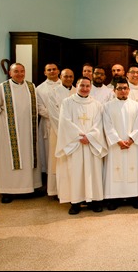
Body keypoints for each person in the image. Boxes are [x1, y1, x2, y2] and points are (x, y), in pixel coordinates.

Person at [0, 63, 41, 204]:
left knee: (29, 157)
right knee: (8, 161)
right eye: (16, 71)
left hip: (29, 131)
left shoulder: (31, 87)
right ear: (10, 73)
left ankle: (28, 188)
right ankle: (7, 190)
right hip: (9, 133)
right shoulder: (3, 88)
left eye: (22, 71)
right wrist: (4, 126)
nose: (19, 74)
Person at [55, 76, 107, 215]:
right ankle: (75, 202)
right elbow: (64, 122)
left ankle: (95, 201)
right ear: (76, 86)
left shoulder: (96, 104)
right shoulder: (67, 102)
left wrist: (89, 137)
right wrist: (80, 136)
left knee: (93, 172)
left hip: (91, 143)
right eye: (82, 85)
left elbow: (99, 123)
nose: (85, 89)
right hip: (76, 144)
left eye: (87, 86)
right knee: (75, 173)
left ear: (91, 87)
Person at [102, 77, 138, 210]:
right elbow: (107, 126)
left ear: (129, 90)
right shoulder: (107, 106)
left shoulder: (137, 106)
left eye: (125, 88)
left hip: (132, 145)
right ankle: (114, 198)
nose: (122, 91)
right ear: (114, 90)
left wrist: (131, 139)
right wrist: (118, 141)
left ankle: (133, 197)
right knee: (115, 170)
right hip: (116, 146)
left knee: (132, 169)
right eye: (119, 89)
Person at [45, 68, 76, 198]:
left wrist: (75, 133)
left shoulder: (77, 91)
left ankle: (73, 190)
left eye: (71, 76)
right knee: (58, 161)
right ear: (61, 77)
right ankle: (57, 191)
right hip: (58, 132)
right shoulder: (54, 93)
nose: (68, 79)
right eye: (65, 76)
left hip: (76, 135)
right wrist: (66, 132)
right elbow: (54, 115)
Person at [35, 62, 61, 187]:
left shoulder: (66, 85)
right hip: (48, 125)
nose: (52, 71)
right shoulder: (39, 89)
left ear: (58, 71)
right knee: (48, 154)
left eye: (54, 69)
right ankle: (50, 184)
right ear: (45, 72)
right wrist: (56, 116)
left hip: (64, 125)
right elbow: (39, 108)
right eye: (49, 70)